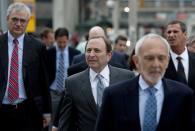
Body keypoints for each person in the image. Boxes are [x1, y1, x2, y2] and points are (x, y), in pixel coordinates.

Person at [95, 33, 195, 131]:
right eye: (149, 58)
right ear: (136, 61)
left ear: (167, 61)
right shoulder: (114, 95)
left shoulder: (183, 95)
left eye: (161, 58)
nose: (156, 64)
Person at [58, 36, 135, 131]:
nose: (91, 54)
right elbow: (66, 123)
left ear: (109, 55)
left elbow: (133, 115)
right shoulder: (72, 83)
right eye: (88, 50)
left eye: (97, 51)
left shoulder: (126, 78)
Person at [0, 2, 51, 131]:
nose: (18, 24)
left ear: (28, 23)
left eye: (22, 20)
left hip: (28, 110)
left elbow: (44, 80)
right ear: (7, 20)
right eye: (14, 19)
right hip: (2, 110)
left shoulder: (38, 47)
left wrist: (47, 112)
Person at [46, 27, 80, 131]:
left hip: (69, 92)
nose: (62, 45)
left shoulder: (75, 53)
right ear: (55, 40)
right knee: (51, 120)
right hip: (53, 92)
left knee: (67, 119)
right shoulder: (48, 53)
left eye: (64, 42)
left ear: (68, 40)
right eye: (59, 42)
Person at [164, 20, 195, 91]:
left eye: (175, 32)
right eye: (169, 32)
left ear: (185, 34)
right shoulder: (162, 60)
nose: (171, 35)